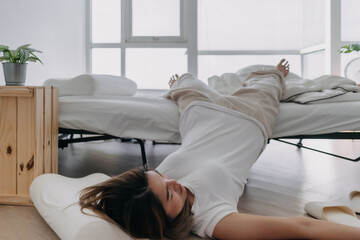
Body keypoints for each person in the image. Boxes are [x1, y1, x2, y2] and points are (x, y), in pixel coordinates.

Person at [79, 60, 360, 240]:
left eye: (159, 176)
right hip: (250, 117)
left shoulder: (148, 191)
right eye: (169, 193)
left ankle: (178, 84)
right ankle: (278, 73)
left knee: (185, 81)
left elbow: (108, 196)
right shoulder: (213, 218)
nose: (172, 180)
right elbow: (303, 228)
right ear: (160, 219)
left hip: (199, 112)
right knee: (268, 81)